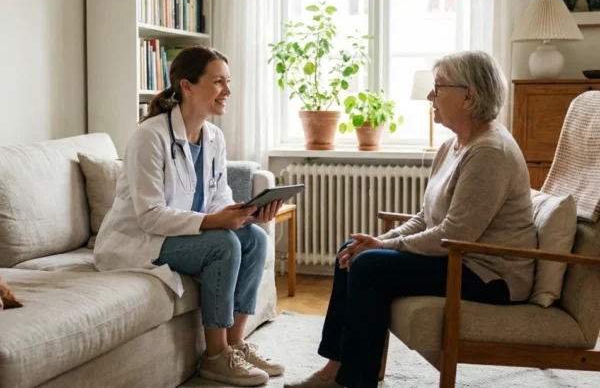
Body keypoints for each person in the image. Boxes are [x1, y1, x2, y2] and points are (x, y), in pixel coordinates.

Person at [285, 51, 537, 388]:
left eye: (439, 87)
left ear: (469, 95)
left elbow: (455, 233)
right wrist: (377, 243)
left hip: (490, 273)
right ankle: (337, 367)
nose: (431, 96)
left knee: (368, 265)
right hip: (460, 258)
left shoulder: (491, 152)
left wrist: (384, 245)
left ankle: (353, 380)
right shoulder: (453, 145)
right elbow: (425, 217)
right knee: (353, 251)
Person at [94, 45, 284, 387]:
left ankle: (235, 345)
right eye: (218, 82)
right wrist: (216, 223)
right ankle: (214, 357)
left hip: (180, 234)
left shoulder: (214, 136)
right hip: (139, 240)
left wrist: (246, 215)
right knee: (223, 244)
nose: (227, 91)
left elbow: (218, 198)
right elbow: (150, 216)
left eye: (228, 82)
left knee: (254, 239)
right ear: (187, 86)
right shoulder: (149, 137)